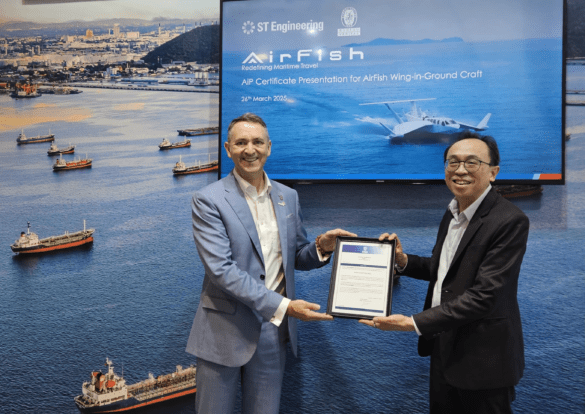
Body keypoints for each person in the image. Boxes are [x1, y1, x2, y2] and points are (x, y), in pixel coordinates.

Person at [186, 113, 355, 414]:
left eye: (257, 142)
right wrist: (285, 306)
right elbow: (221, 270)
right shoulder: (208, 199)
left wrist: (321, 247)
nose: (250, 149)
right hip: (224, 329)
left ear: (269, 147)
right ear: (228, 148)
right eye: (241, 142)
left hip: (273, 331)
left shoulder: (288, 196)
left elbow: (295, 255)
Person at [360, 131, 529, 414]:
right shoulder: (453, 212)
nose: (460, 170)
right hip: (443, 347)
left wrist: (412, 323)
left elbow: (484, 296)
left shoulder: (510, 221)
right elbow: (447, 273)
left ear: (493, 172)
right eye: (453, 162)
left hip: (484, 359)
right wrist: (402, 260)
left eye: (472, 162)